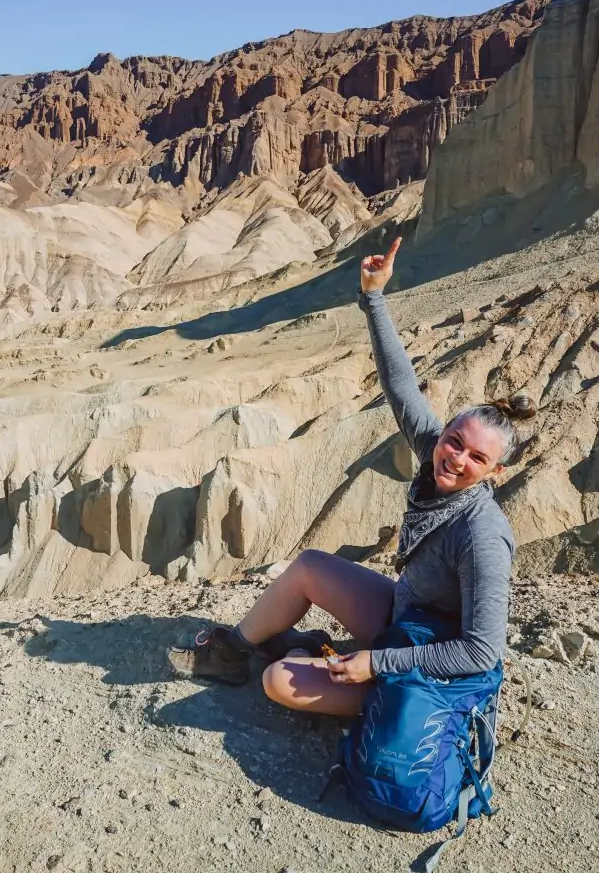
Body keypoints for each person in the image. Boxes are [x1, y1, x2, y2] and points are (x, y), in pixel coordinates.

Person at [168, 238, 536, 717]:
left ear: (495, 472)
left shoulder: (482, 535)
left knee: (279, 680)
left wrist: (377, 664)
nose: (456, 458)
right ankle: (231, 651)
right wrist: (374, 297)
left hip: (433, 673)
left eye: (476, 458)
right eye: (454, 441)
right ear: (444, 432)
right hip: (404, 619)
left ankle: (307, 654)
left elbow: (480, 653)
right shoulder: (435, 455)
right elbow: (401, 385)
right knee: (309, 568)